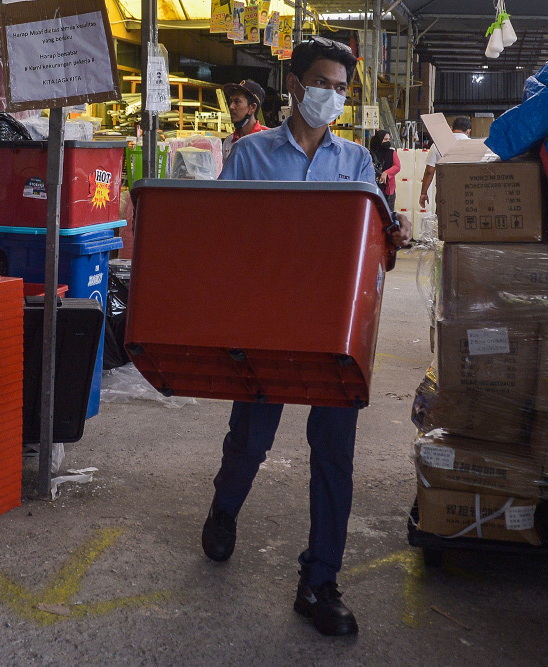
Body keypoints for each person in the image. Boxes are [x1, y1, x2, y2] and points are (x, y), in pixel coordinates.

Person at [203, 36, 412, 638]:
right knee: (252, 437)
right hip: (268, 326)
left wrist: (390, 242)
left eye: (342, 89)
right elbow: (222, 240)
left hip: (332, 332)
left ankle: (319, 580)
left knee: (333, 454)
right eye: (323, 83)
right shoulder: (250, 156)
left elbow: (372, 247)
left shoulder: (356, 163)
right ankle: (224, 509)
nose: (333, 97)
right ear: (294, 86)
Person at [420, 116, 471, 208]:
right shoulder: (473, 146)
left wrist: (423, 193)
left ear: (451, 128)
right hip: (467, 192)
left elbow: (429, 171)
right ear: (468, 131)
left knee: (443, 218)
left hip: (444, 192)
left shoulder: (437, 145)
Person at [221, 79, 268, 162]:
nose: (231, 107)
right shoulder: (228, 142)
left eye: (237, 102)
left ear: (252, 107)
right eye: (230, 101)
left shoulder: (268, 139)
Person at [369, 129, 401, 210]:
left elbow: (397, 166)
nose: (388, 142)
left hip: (388, 189)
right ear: (379, 140)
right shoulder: (370, 154)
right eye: (385, 139)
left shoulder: (392, 153)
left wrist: (386, 173)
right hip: (373, 188)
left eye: (389, 139)